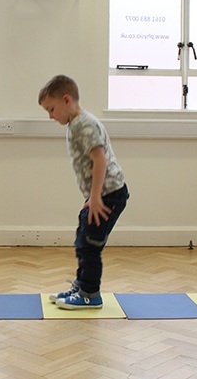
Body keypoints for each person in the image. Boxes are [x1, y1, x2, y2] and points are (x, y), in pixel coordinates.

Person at [38, 74, 129, 310]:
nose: (50, 116)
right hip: (101, 194)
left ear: (66, 100)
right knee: (83, 239)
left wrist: (96, 197)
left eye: (51, 109)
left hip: (109, 194)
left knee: (90, 244)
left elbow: (100, 159)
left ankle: (90, 293)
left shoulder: (84, 124)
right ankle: (81, 285)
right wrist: (91, 197)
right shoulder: (76, 124)